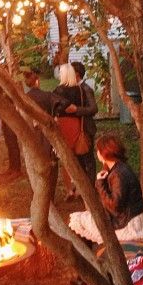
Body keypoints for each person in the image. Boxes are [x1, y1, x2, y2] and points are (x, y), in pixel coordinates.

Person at [68, 133, 143, 244]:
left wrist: (100, 184)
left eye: (98, 150)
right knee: (83, 218)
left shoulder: (118, 174)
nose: (97, 153)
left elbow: (114, 207)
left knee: (77, 220)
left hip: (128, 224)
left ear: (104, 153)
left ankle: (88, 257)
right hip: (129, 217)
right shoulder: (118, 168)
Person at [23, 68, 66, 199]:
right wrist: (55, 116)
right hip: (46, 136)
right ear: (37, 81)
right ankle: (50, 197)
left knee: (34, 165)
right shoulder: (47, 95)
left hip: (30, 135)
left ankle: (36, 195)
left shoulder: (24, 98)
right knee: (51, 166)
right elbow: (63, 103)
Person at [53, 63, 84, 198]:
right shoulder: (79, 90)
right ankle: (79, 189)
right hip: (76, 123)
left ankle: (69, 189)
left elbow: (55, 109)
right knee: (77, 158)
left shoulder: (58, 91)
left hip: (63, 124)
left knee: (66, 158)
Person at [69, 61, 98, 183]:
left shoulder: (86, 89)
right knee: (78, 160)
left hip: (86, 129)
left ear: (77, 74)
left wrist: (77, 110)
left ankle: (91, 187)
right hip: (76, 129)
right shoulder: (72, 88)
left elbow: (94, 108)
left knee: (88, 160)